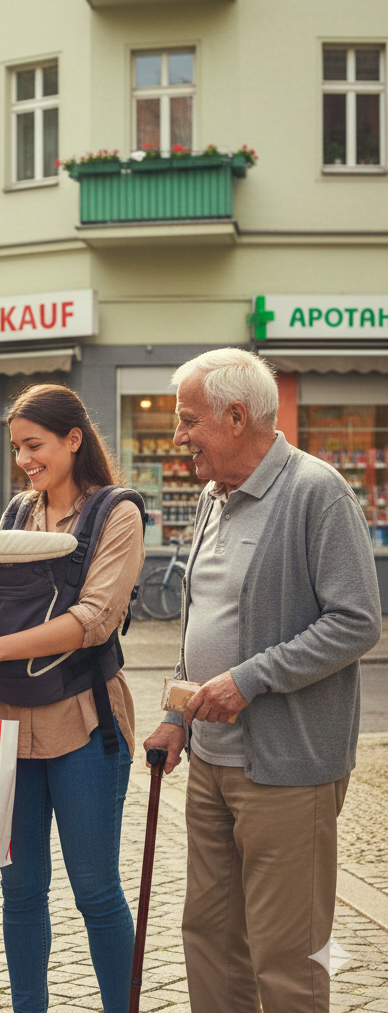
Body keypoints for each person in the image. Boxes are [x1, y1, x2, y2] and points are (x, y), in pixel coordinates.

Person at [142, 348, 382, 1013]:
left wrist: (251, 679)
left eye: (189, 420)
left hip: (288, 770)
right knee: (210, 938)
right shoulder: (214, 498)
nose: (178, 437)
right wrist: (176, 712)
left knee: (287, 955)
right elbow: (204, 621)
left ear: (237, 416)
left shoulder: (317, 493)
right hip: (212, 760)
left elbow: (356, 622)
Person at [0, 384, 146, 1013]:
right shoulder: (17, 517)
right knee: (20, 890)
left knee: (97, 890)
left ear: (73, 440)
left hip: (85, 722)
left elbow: (94, 618)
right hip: (7, 724)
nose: (25, 459)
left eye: (36, 445)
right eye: (17, 447)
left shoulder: (116, 513)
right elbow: (11, 617)